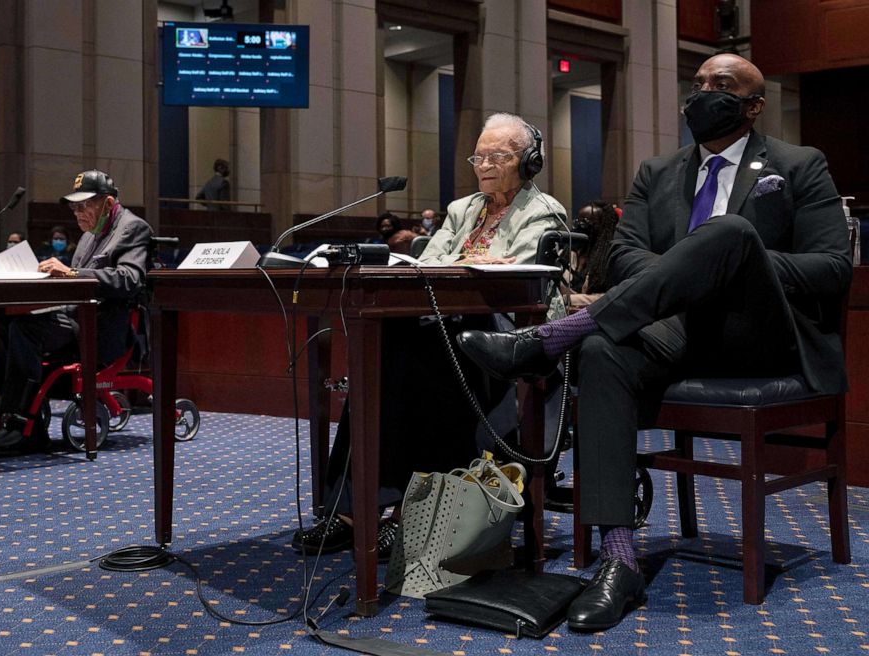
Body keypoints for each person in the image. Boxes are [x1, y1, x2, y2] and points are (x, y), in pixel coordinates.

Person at [457, 54, 853, 631]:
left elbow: (831, 268)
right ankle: (619, 560)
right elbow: (621, 256)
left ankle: (546, 341)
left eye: (722, 86)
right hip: (673, 331)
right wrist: (686, 275)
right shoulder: (657, 171)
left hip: (760, 338)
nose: (703, 94)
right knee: (601, 352)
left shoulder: (798, 164)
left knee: (730, 234)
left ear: (755, 105)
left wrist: (733, 262)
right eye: (697, 85)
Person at [291, 112, 567, 559]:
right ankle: (355, 509)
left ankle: (395, 510)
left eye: (498, 156)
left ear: (529, 161)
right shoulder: (462, 209)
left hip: (506, 331)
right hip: (446, 322)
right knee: (381, 349)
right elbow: (428, 264)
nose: (484, 165)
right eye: (479, 156)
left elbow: (524, 282)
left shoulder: (544, 210)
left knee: (416, 353)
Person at [0, 170, 152, 456]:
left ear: (107, 204)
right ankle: (11, 422)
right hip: (74, 317)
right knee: (5, 319)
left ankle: (25, 429)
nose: (77, 213)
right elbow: (73, 282)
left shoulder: (133, 228)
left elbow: (130, 280)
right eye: (74, 207)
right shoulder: (87, 236)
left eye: (84, 206)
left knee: (25, 328)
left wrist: (70, 272)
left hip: (102, 328)